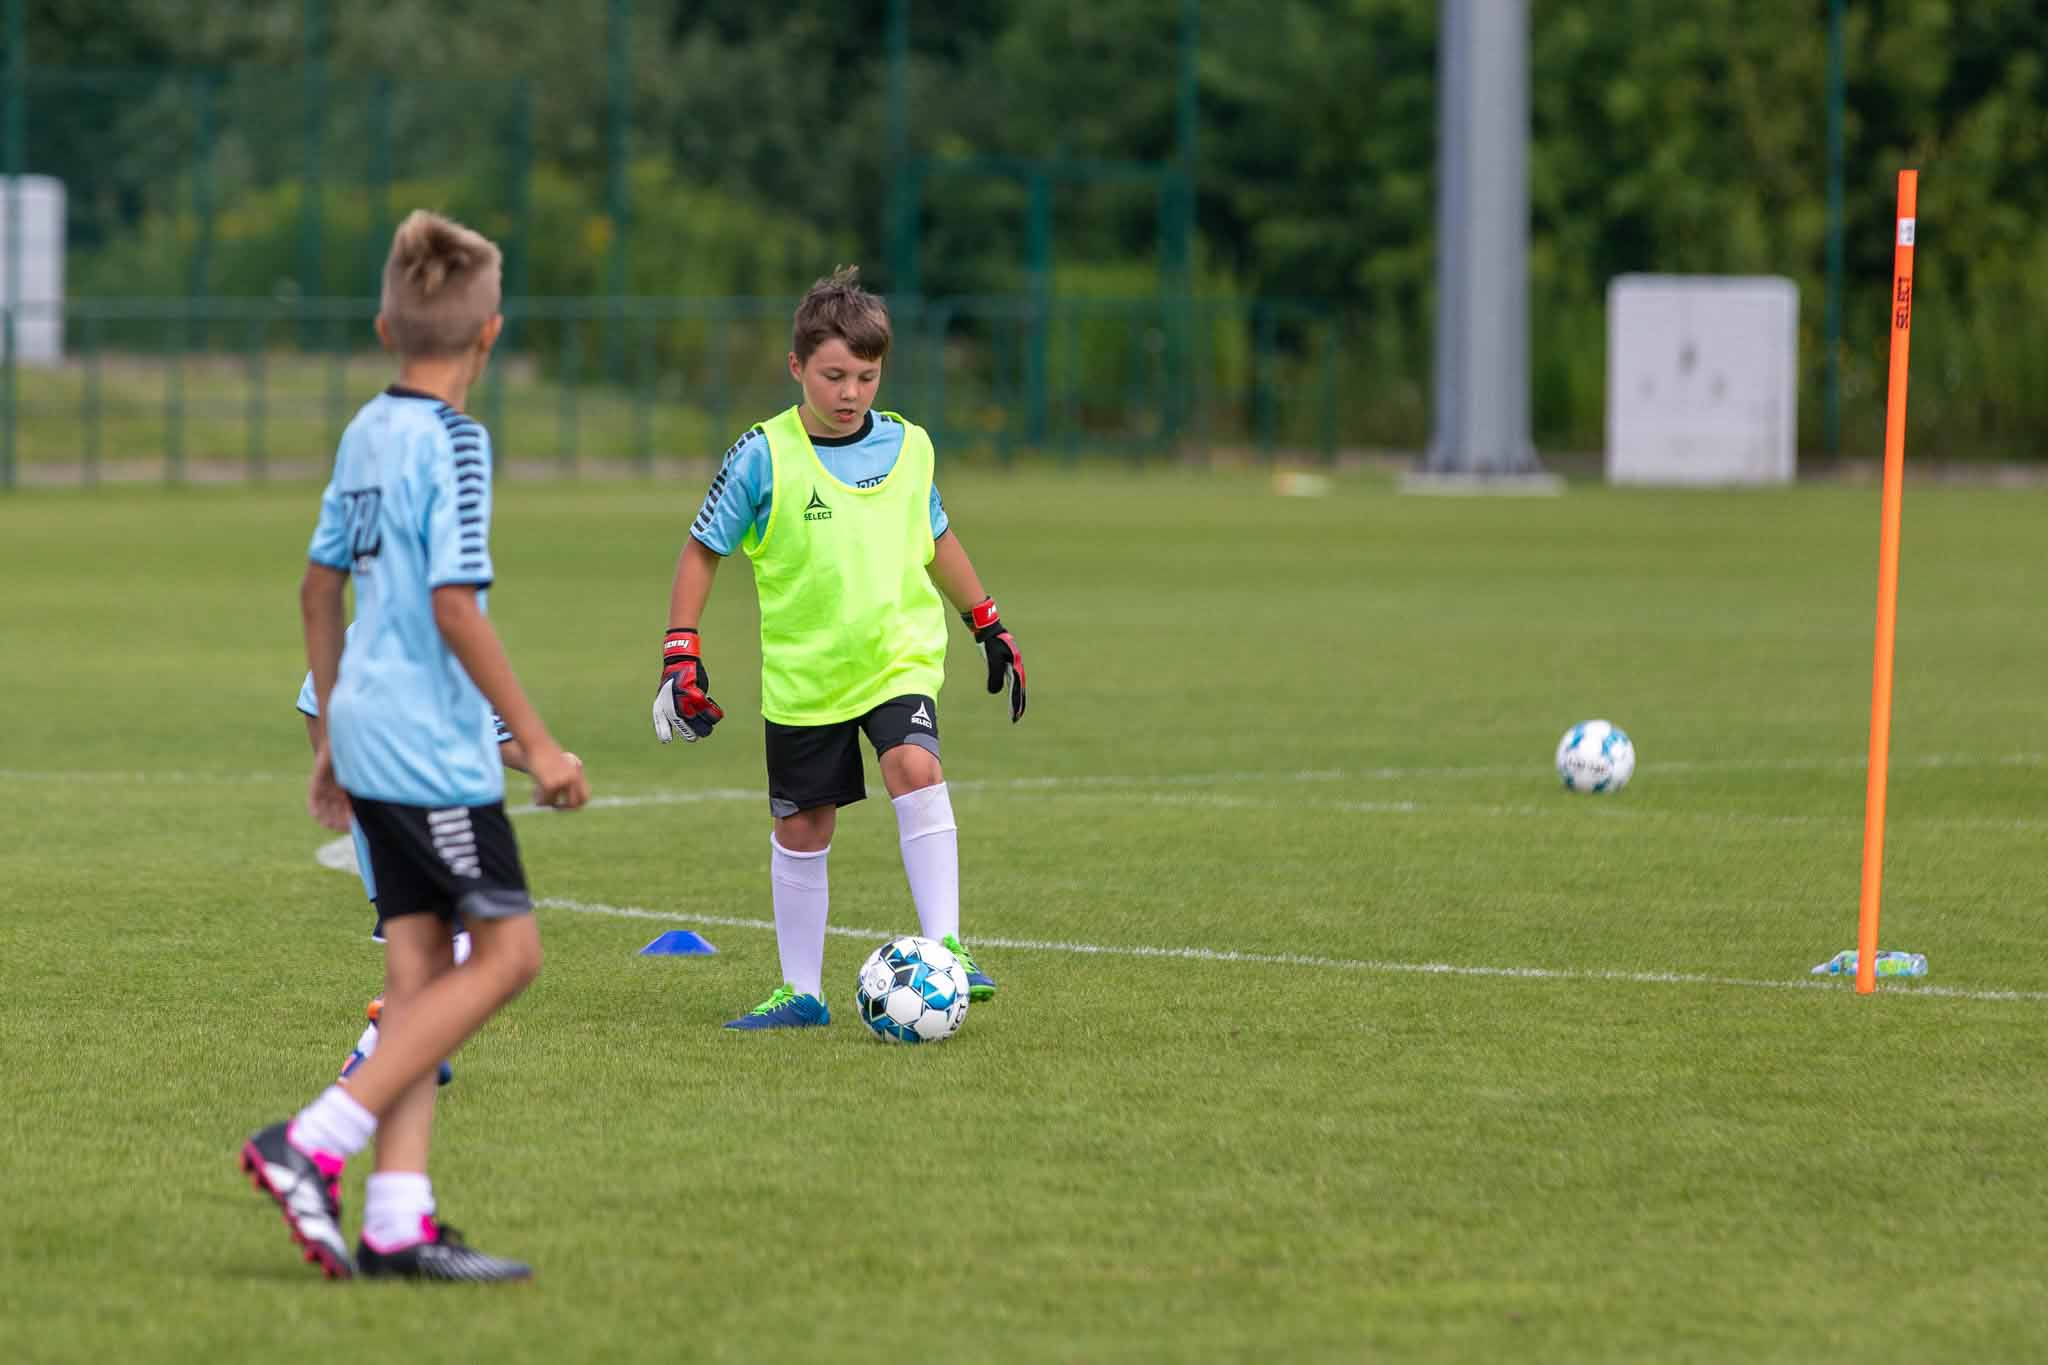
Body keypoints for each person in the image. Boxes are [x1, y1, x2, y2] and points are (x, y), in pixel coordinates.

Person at [240, 209, 589, 1283]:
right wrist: (540, 743)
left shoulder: (362, 431)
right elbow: (454, 604)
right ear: (490, 335)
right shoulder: (459, 443)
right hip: (433, 747)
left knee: (418, 970)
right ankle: (312, 1140)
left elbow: (317, 590)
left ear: (386, 328)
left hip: (365, 730)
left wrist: (331, 738)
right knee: (511, 955)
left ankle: (397, 1220)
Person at [652, 265, 1025, 1030]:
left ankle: (947, 948)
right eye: (833, 376)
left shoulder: (910, 446)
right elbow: (702, 548)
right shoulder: (762, 453)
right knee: (804, 827)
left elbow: (936, 537)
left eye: (866, 375)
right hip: (806, 676)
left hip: (896, 656)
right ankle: (802, 993)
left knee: (914, 765)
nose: (850, 391)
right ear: (796, 367)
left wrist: (986, 620)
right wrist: (680, 651)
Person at [298, 631, 576, 1083]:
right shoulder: (439, 622)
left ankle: (395, 1050)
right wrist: (546, 758)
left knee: (431, 944)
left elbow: (314, 698)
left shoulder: (370, 630)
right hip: (430, 810)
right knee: (494, 944)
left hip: (386, 818)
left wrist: (338, 774)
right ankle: (390, 1032)